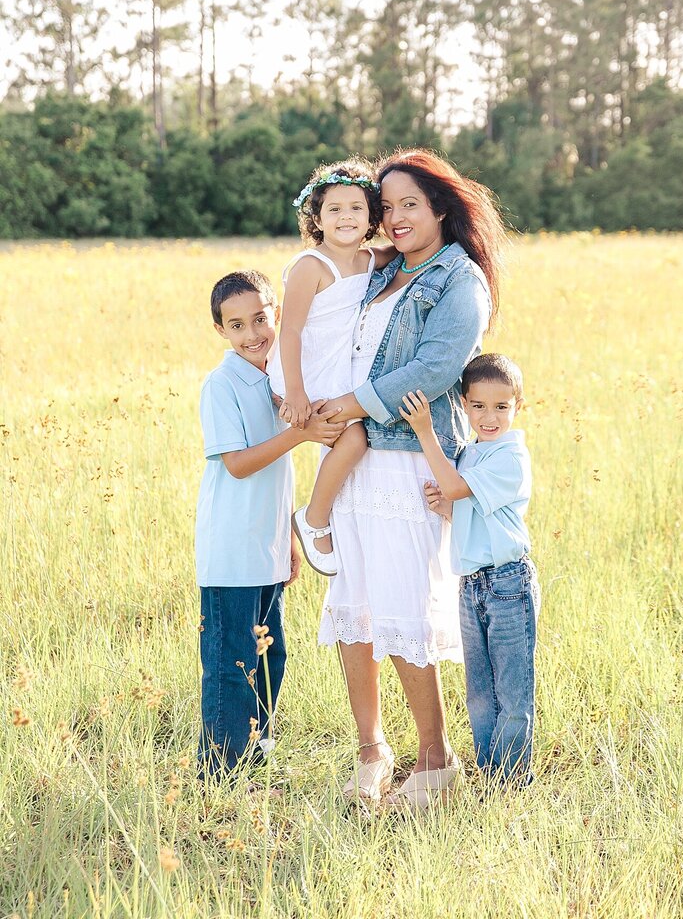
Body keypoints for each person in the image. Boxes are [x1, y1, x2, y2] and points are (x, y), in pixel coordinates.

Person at [315, 149, 506, 809]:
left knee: (402, 610)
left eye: (409, 206)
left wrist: (352, 403)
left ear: (442, 209)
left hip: (405, 464)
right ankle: (372, 752)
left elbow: (434, 368)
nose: (393, 218)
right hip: (352, 456)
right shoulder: (385, 269)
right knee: (358, 611)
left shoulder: (460, 280)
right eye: (387, 206)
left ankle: (436, 760)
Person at [196, 269, 345, 780]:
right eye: (236, 324)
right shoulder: (222, 386)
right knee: (230, 663)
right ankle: (218, 772)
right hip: (231, 553)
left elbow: (277, 477)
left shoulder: (278, 380)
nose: (252, 333)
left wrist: (289, 542)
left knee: (269, 655)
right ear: (221, 331)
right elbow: (237, 463)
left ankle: (254, 753)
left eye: (260, 319)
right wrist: (300, 433)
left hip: (267, 547)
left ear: (276, 314)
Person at [400, 353, 540, 784]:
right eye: (478, 406)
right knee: (479, 691)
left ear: (519, 404)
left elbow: (458, 487)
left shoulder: (510, 457)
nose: (489, 416)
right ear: (463, 404)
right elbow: (470, 510)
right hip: (472, 586)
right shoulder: (472, 454)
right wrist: (448, 510)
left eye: (501, 406)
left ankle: (512, 779)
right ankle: (489, 771)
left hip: (507, 584)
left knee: (511, 691)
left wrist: (425, 433)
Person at [268, 160, 393, 576]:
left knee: (351, 435)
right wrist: (297, 393)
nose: (346, 217)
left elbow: (407, 248)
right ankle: (313, 517)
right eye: (334, 209)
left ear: (372, 217)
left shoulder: (370, 259)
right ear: (317, 218)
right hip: (306, 369)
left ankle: (327, 515)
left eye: (357, 208)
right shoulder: (311, 266)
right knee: (354, 437)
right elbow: (290, 333)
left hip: (339, 369)